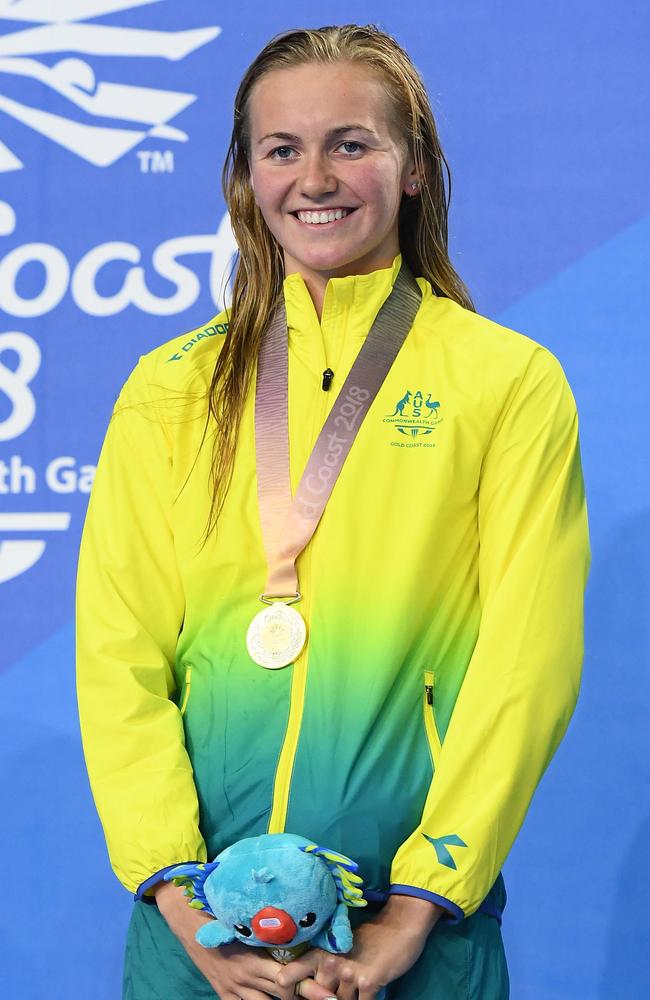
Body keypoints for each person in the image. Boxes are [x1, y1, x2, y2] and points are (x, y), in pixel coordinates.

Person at [76, 23, 590, 1000]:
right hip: (197, 933)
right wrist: (182, 901)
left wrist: (415, 907)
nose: (314, 177)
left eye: (349, 142)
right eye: (282, 149)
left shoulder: (505, 382)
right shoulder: (168, 386)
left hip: (412, 934)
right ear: (246, 177)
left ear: (412, 168)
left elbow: (525, 663)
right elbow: (117, 654)